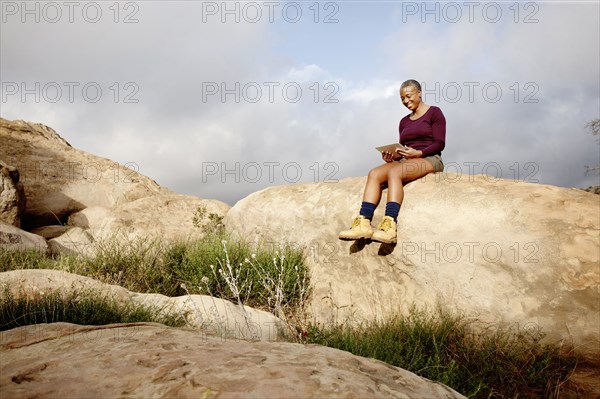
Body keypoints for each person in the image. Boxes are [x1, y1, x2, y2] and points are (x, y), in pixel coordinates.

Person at [339, 79, 446, 244]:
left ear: (419, 93)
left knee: (394, 172)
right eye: (402, 98)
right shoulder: (403, 121)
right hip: (407, 159)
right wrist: (392, 157)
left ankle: (389, 225)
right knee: (374, 173)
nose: (405, 101)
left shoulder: (434, 113)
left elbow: (440, 143)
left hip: (430, 158)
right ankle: (364, 223)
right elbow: (403, 148)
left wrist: (419, 152)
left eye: (409, 96)